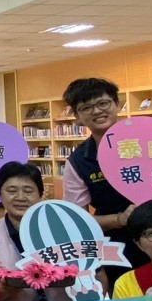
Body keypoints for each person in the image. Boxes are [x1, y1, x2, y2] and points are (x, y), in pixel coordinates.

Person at [61, 77, 142, 284]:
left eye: (103, 103)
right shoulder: (79, 161)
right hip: (122, 250)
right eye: (86, 107)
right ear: (77, 116)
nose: (97, 111)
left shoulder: (150, 139)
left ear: (117, 104)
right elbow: (77, 221)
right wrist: (120, 219)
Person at [0, 162, 72, 301]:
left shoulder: (64, 231)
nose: (20, 197)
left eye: (28, 191)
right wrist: (4, 289)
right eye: (12, 191)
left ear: (40, 194)